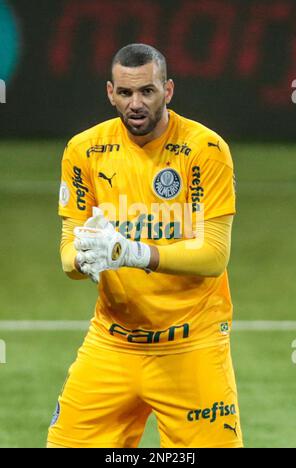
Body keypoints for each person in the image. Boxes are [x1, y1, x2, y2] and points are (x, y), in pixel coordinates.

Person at [47, 43, 243, 448]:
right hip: (113, 342)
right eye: (125, 92)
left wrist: (131, 253)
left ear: (168, 91)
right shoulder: (84, 149)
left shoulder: (205, 150)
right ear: (109, 93)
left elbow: (214, 255)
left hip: (192, 345)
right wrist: (84, 257)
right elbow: (68, 249)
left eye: (147, 92)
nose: (135, 103)